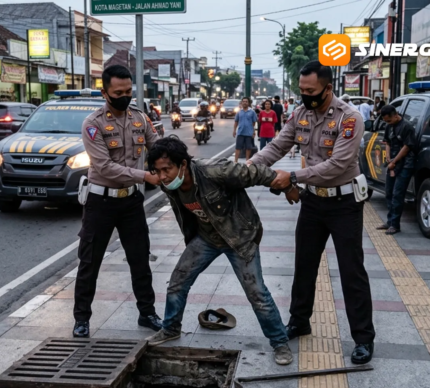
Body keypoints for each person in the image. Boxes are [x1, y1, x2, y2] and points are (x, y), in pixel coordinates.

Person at [248, 60, 376, 365]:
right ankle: (299, 321)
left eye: (311, 91)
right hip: (313, 202)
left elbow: (337, 165)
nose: (305, 96)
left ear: (328, 88)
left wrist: (292, 178)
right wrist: (251, 166)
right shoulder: (300, 114)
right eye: (301, 90)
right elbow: (278, 146)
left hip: (345, 204)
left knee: (351, 270)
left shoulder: (350, 118)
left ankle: (363, 338)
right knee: (304, 264)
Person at [145, 137, 294, 365]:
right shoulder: (169, 184)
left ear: (183, 164)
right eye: (158, 171)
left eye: (167, 169)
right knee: (177, 282)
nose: (163, 176)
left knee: (257, 293)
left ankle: (280, 342)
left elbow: (256, 173)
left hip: (239, 238)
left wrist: (288, 186)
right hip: (207, 238)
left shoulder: (214, 171)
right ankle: (170, 329)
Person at [74, 64, 162, 338]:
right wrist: (146, 176)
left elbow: (156, 146)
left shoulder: (140, 118)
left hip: (131, 203)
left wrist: (170, 163)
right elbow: (104, 167)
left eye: (129, 92)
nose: (125, 97)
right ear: (105, 92)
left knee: (140, 259)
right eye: (118, 92)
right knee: (90, 262)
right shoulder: (93, 123)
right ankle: (82, 319)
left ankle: (147, 313)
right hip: (101, 203)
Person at [376, 105, 418, 235]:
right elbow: (387, 142)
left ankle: (395, 225)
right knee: (388, 192)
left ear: (395, 115)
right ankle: (389, 222)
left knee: (397, 195)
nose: (387, 123)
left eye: (389, 120)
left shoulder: (407, 127)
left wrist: (394, 161)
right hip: (392, 164)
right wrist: (388, 157)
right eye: (385, 121)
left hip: (405, 164)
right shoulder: (389, 126)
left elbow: (407, 147)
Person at [233, 97, 257, 163]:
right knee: (238, 147)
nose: (245, 103)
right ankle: (235, 161)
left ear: (248, 103)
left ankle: (247, 161)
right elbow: (236, 122)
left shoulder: (252, 112)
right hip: (240, 132)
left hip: (249, 133)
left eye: (246, 101)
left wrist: (253, 132)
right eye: (243, 101)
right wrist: (234, 130)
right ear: (241, 103)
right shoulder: (239, 112)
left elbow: (254, 122)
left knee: (248, 148)